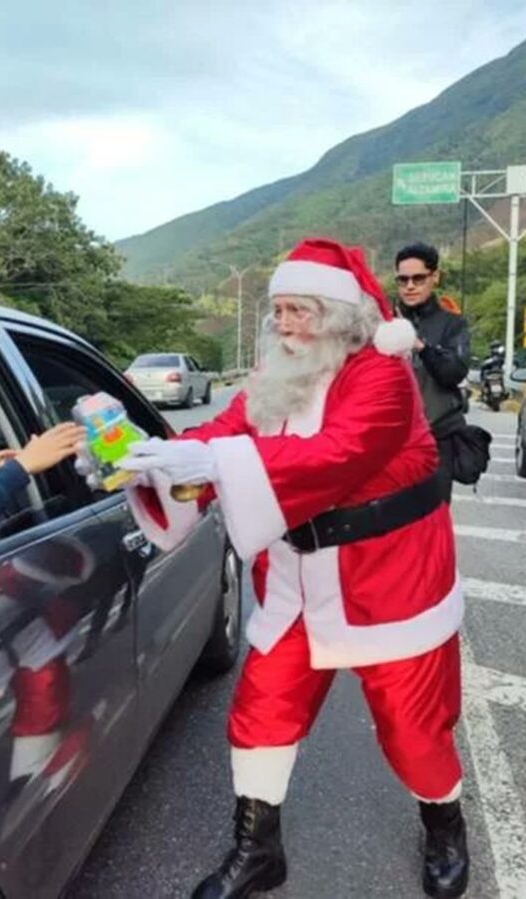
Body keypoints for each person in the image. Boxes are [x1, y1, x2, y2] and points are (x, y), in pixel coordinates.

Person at [115, 238, 469, 899]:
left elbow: (340, 453)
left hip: (388, 581)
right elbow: (225, 429)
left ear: (337, 314)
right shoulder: (277, 374)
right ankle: (257, 850)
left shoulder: (382, 376)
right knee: (260, 711)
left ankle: (444, 819)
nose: (283, 325)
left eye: (298, 310)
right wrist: (154, 458)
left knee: (412, 726)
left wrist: (216, 465)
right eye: (278, 310)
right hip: (296, 579)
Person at [395, 242, 472, 501]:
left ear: (434, 277)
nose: (410, 286)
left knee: (433, 518)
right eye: (402, 280)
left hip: (437, 439)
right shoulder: (382, 321)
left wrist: (419, 345)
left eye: (418, 278)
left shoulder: (453, 324)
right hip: (390, 442)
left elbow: (454, 372)